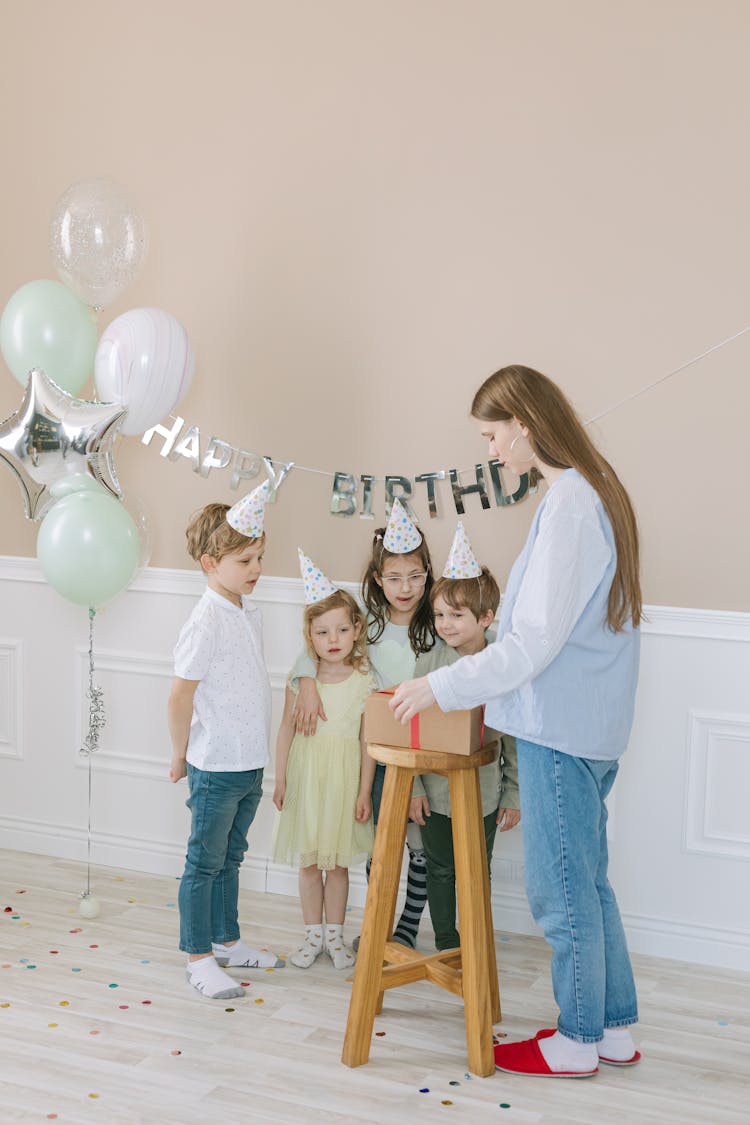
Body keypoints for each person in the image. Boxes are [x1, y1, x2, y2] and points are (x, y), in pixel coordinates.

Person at [391, 365, 642, 1078]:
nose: (493, 451)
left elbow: (531, 643)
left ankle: (578, 1037)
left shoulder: (569, 503)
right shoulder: (596, 493)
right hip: (590, 724)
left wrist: (440, 683)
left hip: (560, 728)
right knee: (589, 881)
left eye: (492, 435)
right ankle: (613, 1027)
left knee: (562, 888)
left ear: (524, 424)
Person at [292, 499, 439, 949]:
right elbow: (318, 643)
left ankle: (406, 930)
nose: (406, 587)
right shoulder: (367, 625)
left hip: (427, 750)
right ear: (378, 579)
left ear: (427, 575)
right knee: (381, 846)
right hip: (378, 754)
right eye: (393, 578)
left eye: (415, 576)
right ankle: (377, 927)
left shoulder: (438, 624)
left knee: (420, 848)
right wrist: (307, 681)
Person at [168, 483, 283, 1002]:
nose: (256, 569)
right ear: (211, 563)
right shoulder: (206, 620)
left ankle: (227, 939)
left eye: (260, 557)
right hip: (215, 764)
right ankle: (198, 957)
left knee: (231, 857)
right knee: (204, 862)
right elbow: (180, 695)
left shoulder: (244, 611)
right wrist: (179, 754)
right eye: (245, 560)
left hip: (248, 762)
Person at [409, 527, 520, 951]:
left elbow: (510, 736)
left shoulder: (500, 664)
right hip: (435, 793)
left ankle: (474, 938)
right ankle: (446, 942)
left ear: (486, 618)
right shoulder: (427, 663)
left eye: (457, 616)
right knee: (440, 868)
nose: (445, 624)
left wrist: (513, 793)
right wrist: (415, 787)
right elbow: (411, 732)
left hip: (484, 793)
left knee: (477, 868)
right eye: (439, 615)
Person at [273, 553, 375, 969]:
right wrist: (279, 780)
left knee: (338, 867)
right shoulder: (301, 682)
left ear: (356, 631)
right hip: (307, 780)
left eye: (342, 629)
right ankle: (311, 935)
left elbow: (368, 742)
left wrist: (365, 790)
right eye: (322, 632)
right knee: (310, 862)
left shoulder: (366, 682)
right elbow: (285, 731)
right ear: (310, 637)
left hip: (343, 784)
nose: (333, 639)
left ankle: (336, 937)